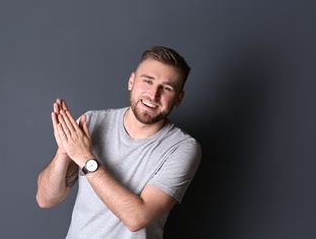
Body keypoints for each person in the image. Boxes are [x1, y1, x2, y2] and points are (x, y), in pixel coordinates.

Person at [36, 46, 202, 238]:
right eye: (147, 81)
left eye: (166, 88)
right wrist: (64, 152)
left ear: (179, 98)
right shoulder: (91, 122)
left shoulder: (182, 148)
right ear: (131, 81)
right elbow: (45, 199)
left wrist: (85, 157)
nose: (153, 94)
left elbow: (136, 218)